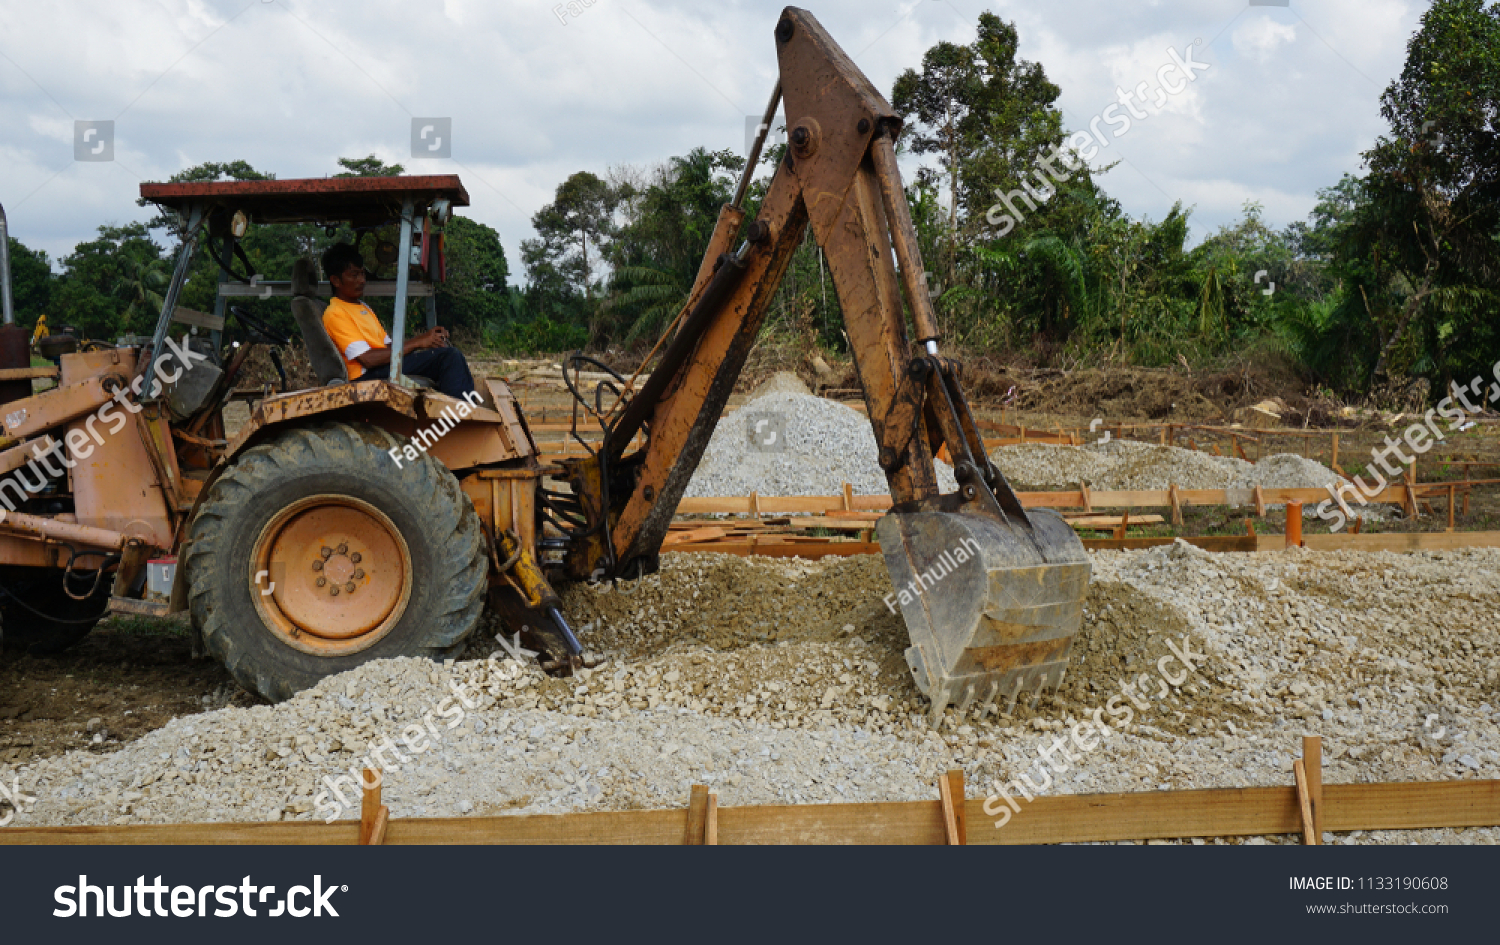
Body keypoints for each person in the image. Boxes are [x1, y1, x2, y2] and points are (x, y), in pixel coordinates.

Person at [319, 242, 476, 398]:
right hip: (366, 377)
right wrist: (419, 342)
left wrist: (427, 342)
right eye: (354, 275)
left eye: (362, 274)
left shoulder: (362, 308)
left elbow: (389, 347)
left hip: (383, 367)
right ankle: (460, 419)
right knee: (449, 357)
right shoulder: (335, 313)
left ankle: (459, 411)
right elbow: (368, 359)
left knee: (444, 354)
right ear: (336, 280)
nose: (362, 280)